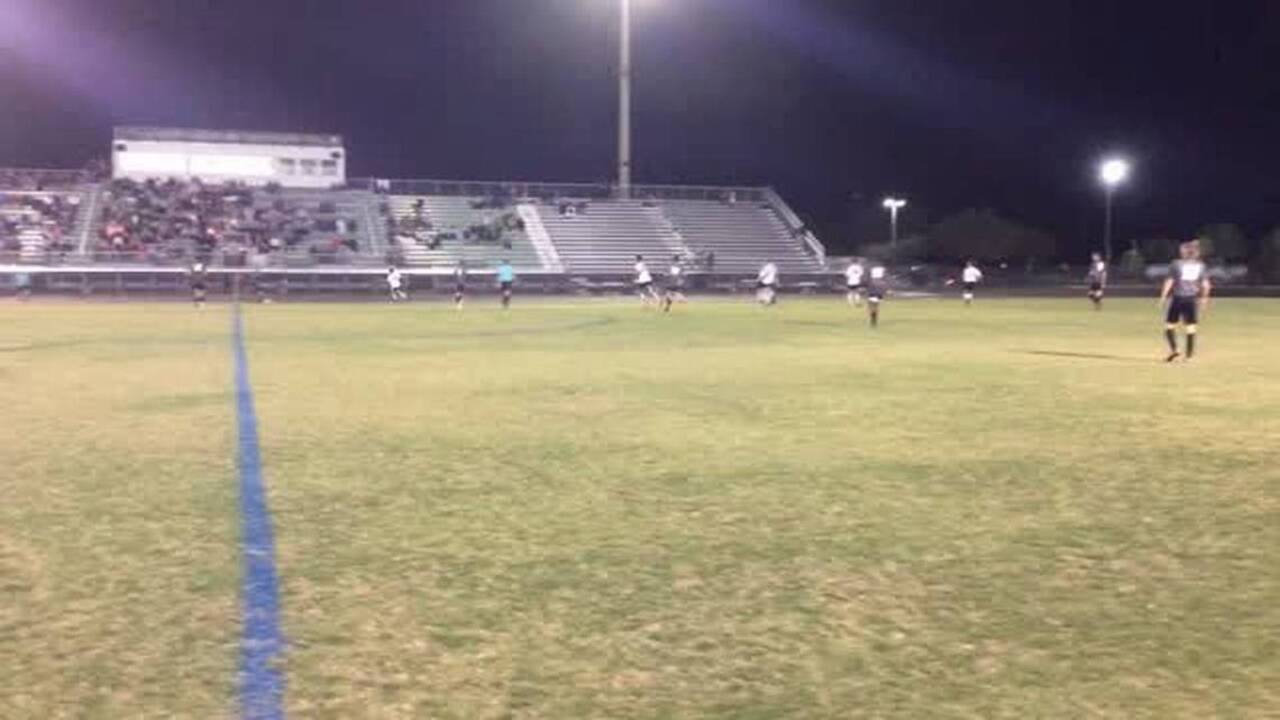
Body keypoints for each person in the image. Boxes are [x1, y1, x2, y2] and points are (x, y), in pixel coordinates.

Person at [1159, 239, 1211, 362]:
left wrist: (1163, 296)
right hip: (1191, 299)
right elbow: (1206, 285)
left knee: (1169, 326)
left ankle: (1175, 349)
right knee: (1191, 327)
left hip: (1178, 298)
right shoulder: (1200, 266)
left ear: (1184, 252)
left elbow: (1169, 281)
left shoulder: (1176, 264)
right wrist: (1204, 298)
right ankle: (1189, 356)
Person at [866, 263, 888, 328]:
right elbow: (885, 277)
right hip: (880, 288)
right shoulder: (882, 269)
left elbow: (868, 278)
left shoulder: (872, 270)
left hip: (874, 287)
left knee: (871, 305)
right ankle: (874, 319)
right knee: (876, 305)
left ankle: (873, 320)